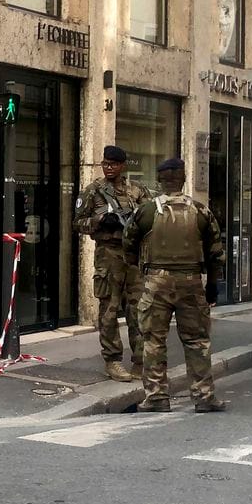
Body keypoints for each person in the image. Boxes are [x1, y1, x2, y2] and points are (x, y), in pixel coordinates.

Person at [123, 158, 227, 413]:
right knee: (197, 341)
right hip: (191, 283)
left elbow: (128, 244)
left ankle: (157, 397)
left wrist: (144, 270)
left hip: (156, 282)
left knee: (153, 340)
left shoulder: (146, 211)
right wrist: (212, 285)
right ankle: (204, 397)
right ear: (183, 179)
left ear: (160, 180)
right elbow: (216, 253)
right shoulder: (201, 212)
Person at [74, 145, 152, 381]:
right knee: (109, 309)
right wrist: (100, 221)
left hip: (134, 256)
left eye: (114, 164)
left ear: (122, 165)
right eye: (105, 164)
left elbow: (151, 219)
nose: (109, 168)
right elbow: (77, 223)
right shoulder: (93, 191)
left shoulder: (137, 190)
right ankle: (113, 360)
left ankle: (140, 361)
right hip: (108, 255)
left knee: (138, 309)